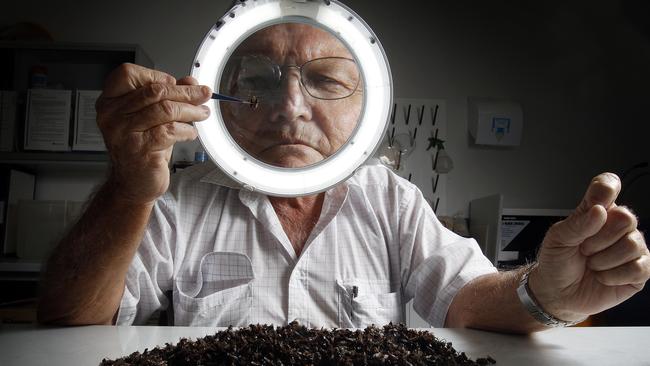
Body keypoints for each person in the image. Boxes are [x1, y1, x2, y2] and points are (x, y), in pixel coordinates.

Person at [37, 24, 649, 334]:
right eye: (258, 80)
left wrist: (545, 296)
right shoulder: (171, 203)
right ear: (218, 99)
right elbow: (68, 324)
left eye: (325, 81)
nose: (290, 108)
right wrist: (128, 187)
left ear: (365, 105)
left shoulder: (392, 202)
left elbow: (467, 300)